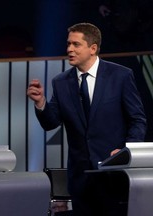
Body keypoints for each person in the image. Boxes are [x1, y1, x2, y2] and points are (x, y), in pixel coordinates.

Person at [27, 22, 146, 216]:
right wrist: (41, 103)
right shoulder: (61, 82)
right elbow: (51, 123)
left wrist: (127, 152)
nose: (69, 49)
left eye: (75, 44)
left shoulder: (121, 76)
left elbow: (137, 119)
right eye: (68, 44)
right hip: (80, 178)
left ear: (93, 48)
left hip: (114, 174)